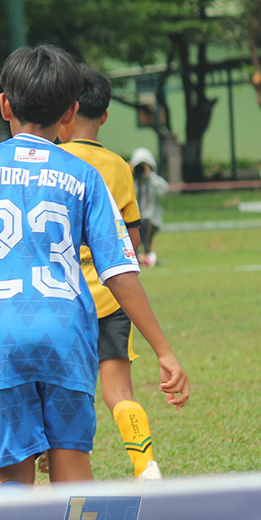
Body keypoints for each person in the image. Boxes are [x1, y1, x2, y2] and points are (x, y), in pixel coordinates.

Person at [0, 44, 189, 490]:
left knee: (11, 476)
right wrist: (163, 349)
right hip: (66, 332)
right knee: (73, 470)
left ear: (4, 105)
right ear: (70, 113)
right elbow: (119, 270)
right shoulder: (83, 175)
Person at [56, 64, 162, 482]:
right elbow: (131, 241)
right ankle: (145, 465)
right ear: (103, 116)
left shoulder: (53, 160)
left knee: (61, 389)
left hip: (60, 296)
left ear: (65, 110)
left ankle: (53, 454)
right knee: (119, 391)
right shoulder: (118, 166)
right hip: (111, 294)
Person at [130, 147, 169, 266]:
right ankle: (142, 258)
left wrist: (149, 176)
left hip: (151, 219)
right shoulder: (133, 181)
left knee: (147, 235)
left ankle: (147, 257)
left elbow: (163, 190)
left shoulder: (154, 181)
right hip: (136, 218)